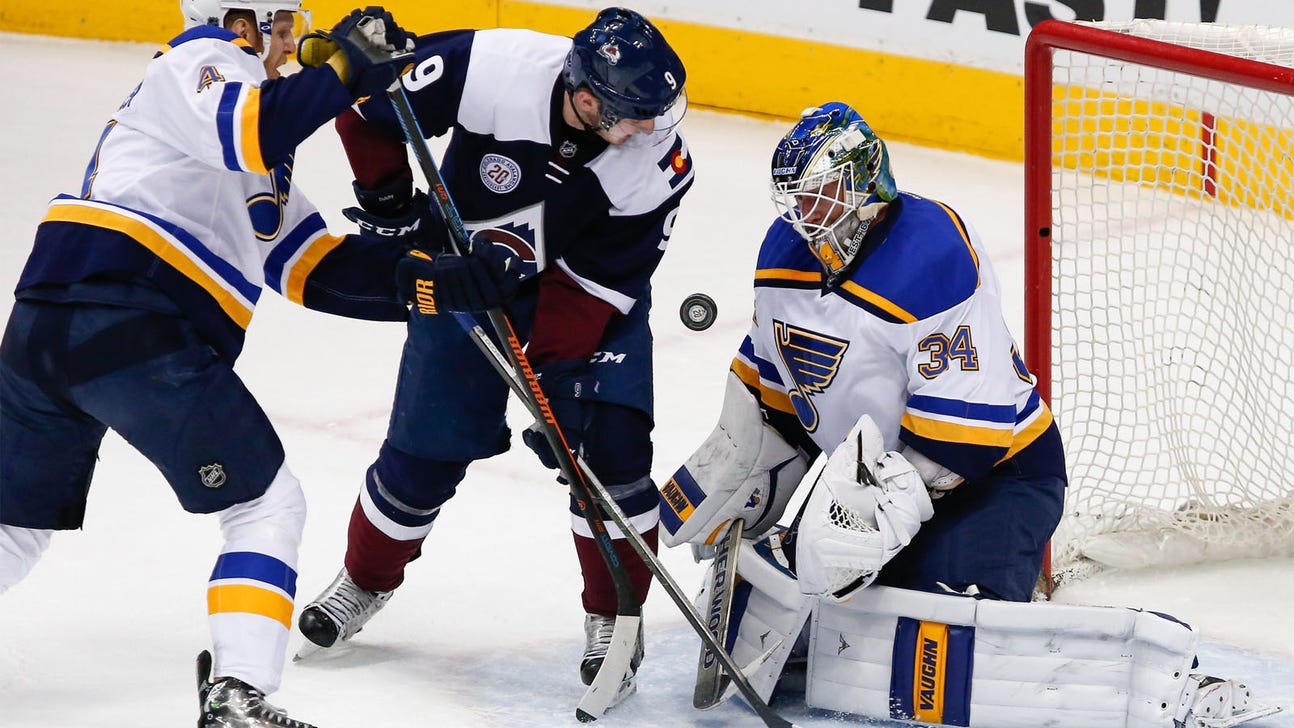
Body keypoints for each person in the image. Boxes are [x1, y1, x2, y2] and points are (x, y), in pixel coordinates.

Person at [656, 103, 1276, 727]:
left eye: (818, 200)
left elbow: (961, 445)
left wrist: (849, 529)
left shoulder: (931, 253)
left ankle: (1158, 684)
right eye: (794, 202)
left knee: (936, 655)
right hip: (867, 473)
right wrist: (749, 466)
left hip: (993, 480)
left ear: (863, 183)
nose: (803, 220)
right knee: (806, 619)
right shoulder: (784, 252)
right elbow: (779, 383)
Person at [0, 3, 511, 726]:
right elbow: (255, 127)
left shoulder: (236, 126)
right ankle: (237, 693)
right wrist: (345, 68)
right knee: (265, 505)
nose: (290, 40)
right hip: (132, 317)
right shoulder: (200, 65)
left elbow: (309, 266)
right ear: (243, 19)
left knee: (12, 525)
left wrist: (428, 278)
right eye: (281, 23)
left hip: (50, 324)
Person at [295, 5, 693, 705]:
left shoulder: (658, 161)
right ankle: (364, 579)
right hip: (461, 277)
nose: (650, 129)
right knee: (424, 451)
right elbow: (367, 109)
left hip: (583, 296)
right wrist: (388, 201)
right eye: (634, 114)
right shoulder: (492, 66)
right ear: (587, 97)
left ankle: (615, 620)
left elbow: (599, 282)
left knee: (609, 450)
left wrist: (560, 382)